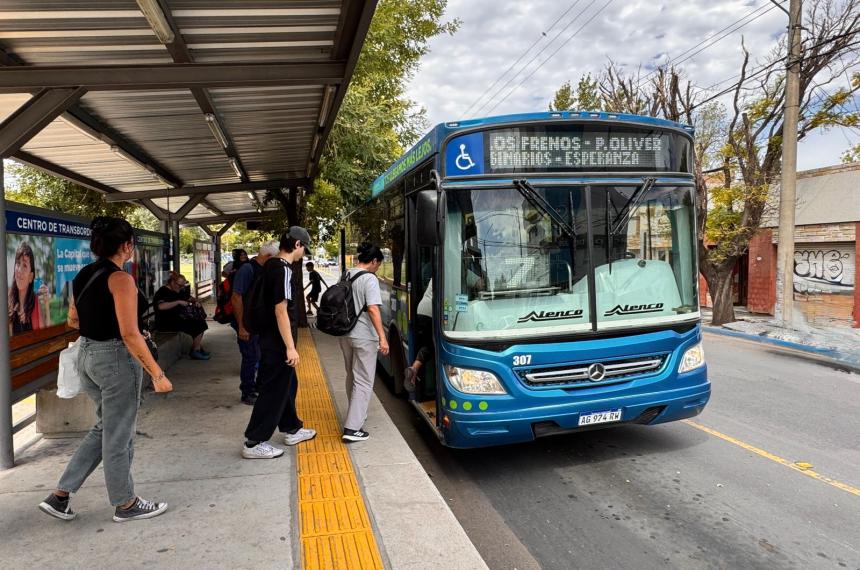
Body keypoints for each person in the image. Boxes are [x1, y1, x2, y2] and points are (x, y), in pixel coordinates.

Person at [38, 216, 173, 523]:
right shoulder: (121, 280)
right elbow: (129, 333)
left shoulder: (84, 274)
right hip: (115, 360)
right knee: (119, 435)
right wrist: (158, 374)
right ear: (127, 246)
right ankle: (126, 504)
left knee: (106, 428)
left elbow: (73, 320)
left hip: (87, 355)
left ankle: (60, 495)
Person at [242, 227, 316, 459]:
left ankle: (292, 428)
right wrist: (290, 347)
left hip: (270, 339)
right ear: (297, 245)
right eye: (304, 248)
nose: (303, 253)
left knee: (287, 384)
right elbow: (280, 309)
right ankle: (254, 442)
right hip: (278, 344)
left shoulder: (270, 265)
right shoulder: (283, 269)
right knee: (272, 391)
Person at [339, 243, 389, 442]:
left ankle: (355, 413)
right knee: (364, 380)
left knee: (352, 374)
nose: (378, 268)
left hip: (345, 334)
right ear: (374, 261)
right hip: (364, 336)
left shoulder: (345, 275)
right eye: (378, 264)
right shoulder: (369, 279)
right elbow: (374, 310)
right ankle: (352, 428)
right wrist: (382, 337)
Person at [231, 240, 279, 405]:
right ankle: (247, 391)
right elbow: (236, 298)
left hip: (260, 324)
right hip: (247, 325)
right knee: (250, 358)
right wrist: (242, 326)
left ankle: (257, 387)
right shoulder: (247, 269)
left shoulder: (264, 270)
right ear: (268, 256)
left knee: (260, 356)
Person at [153, 273, 210, 360]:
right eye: (179, 285)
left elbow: (189, 298)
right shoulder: (162, 292)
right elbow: (161, 306)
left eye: (182, 286)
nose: (181, 288)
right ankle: (195, 350)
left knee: (200, 322)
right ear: (172, 282)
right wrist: (178, 302)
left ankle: (197, 348)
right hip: (167, 321)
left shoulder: (179, 290)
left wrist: (195, 301)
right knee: (199, 325)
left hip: (178, 318)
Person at [8, 242, 49, 334]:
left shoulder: (35, 302)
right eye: (18, 263)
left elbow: (45, 335)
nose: (19, 270)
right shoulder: (8, 303)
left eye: (25, 265)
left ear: (31, 277)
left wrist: (46, 306)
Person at [404, 279, 433, 396]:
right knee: (433, 346)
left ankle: (414, 370)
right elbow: (479, 283)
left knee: (428, 344)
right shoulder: (455, 266)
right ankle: (414, 369)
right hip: (431, 312)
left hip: (422, 309)